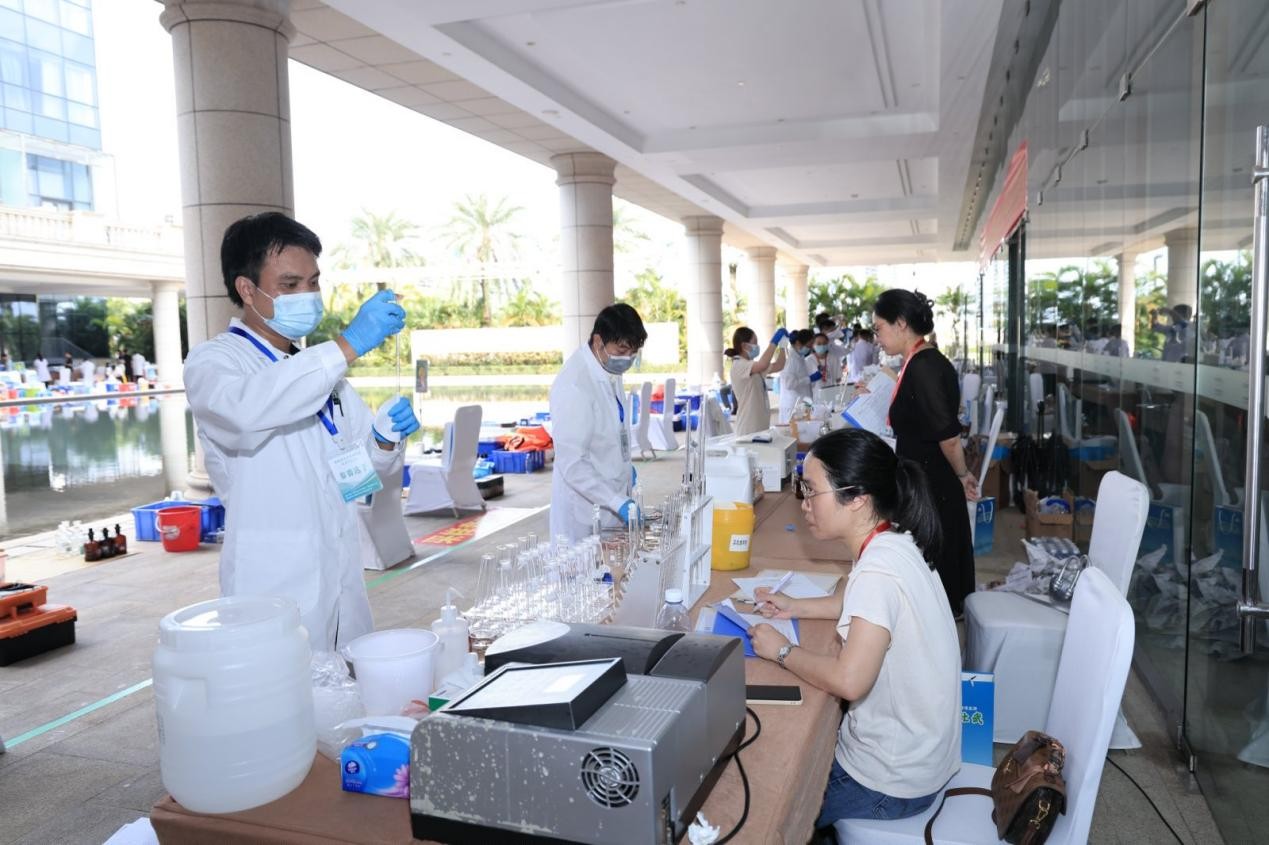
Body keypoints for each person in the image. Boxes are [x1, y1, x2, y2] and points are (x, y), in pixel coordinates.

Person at [184, 212, 417, 651]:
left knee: (344, 684)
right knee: (281, 687)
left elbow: (357, 483)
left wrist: (384, 441)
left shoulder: (326, 377)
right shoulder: (215, 364)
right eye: (290, 285)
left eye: (313, 282)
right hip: (273, 587)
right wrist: (347, 345)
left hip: (341, 583)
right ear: (247, 289)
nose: (307, 296)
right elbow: (246, 415)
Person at [749, 428, 960, 829]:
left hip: (890, 782)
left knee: (768, 800)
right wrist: (795, 606)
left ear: (858, 498)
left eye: (811, 491)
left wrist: (781, 651)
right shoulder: (894, 537)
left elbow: (850, 681)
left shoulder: (877, 572)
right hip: (922, 760)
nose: (803, 504)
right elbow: (857, 605)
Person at [871, 289, 977, 615]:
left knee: (935, 578)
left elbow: (948, 437)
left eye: (879, 328)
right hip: (924, 477)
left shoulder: (924, 366)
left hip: (932, 483)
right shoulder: (918, 361)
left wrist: (963, 474)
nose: (877, 338)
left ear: (901, 323)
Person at [549, 303, 647, 542]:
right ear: (598, 341)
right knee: (584, 563)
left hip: (610, 499)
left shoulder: (607, 368)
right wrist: (616, 501)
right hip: (582, 514)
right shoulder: (574, 385)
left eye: (633, 352)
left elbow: (611, 429)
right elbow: (572, 463)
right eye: (622, 350)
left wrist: (624, 468)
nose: (627, 359)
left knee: (613, 561)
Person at [725, 326, 787, 436]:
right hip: (748, 428)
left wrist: (783, 346)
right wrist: (774, 342)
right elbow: (763, 364)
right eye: (755, 343)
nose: (757, 346)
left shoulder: (752, 366)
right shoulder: (739, 364)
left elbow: (779, 365)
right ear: (744, 346)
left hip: (760, 427)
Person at [777, 329, 821, 423]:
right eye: (808, 345)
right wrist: (809, 379)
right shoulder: (791, 360)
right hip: (792, 405)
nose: (810, 348)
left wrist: (811, 380)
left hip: (802, 404)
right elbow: (789, 384)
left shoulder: (800, 358)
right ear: (798, 343)